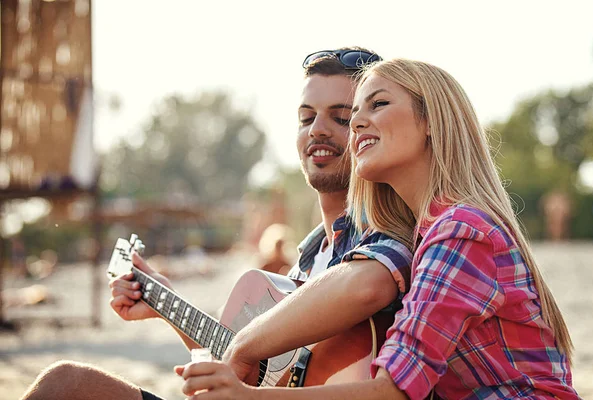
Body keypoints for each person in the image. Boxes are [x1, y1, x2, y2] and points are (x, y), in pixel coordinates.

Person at [19, 48, 414, 400]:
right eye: (306, 117)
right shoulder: (310, 256)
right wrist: (166, 304)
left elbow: (368, 288)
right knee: (67, 384)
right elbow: (261, 372)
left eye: (341, 118)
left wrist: (242, 347)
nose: (317, 130)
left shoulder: (386, 232)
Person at [175, 59, 582, 399]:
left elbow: (395, 389)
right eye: (354, 116)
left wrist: (249, 397)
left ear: (431, 122)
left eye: (377, 105)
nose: (356, 124)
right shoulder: (429, 233)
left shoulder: (461, 230)